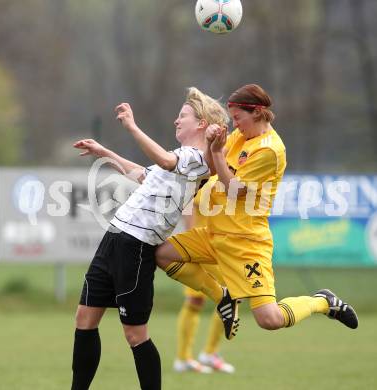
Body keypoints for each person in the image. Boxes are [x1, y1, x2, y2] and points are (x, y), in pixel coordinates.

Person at [155, 83, 359, 342]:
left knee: (269, 320)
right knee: (161, 254)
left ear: (257, 112)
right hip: (214, 234)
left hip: (246, 243)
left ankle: (322, 301)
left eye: (238, 118)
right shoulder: (242, 136)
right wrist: (209, 141)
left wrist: (217, 151)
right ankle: (222, 296)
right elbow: (210, 165)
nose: (235, 125)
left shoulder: (270, 150)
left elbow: (234, 190)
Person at [70, 87, 229, 390]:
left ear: (201, 124)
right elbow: (143, 174)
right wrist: (105, 152)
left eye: (182, 116)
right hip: (114, 238)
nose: (176, 121)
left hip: (137, 248)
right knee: (84, 319)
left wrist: (131, 126)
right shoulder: (179, 157)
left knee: (135, 335)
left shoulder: (198, 159)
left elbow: (167, 162)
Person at [173, 190, 235, 374]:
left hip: (219, 250)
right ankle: (196, 356)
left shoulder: (227, 173)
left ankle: (196, 356)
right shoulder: (205, 173)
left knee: (202, 301)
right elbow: (189, 204)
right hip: (202, 249)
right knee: (232, 294)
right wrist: (191, 242)